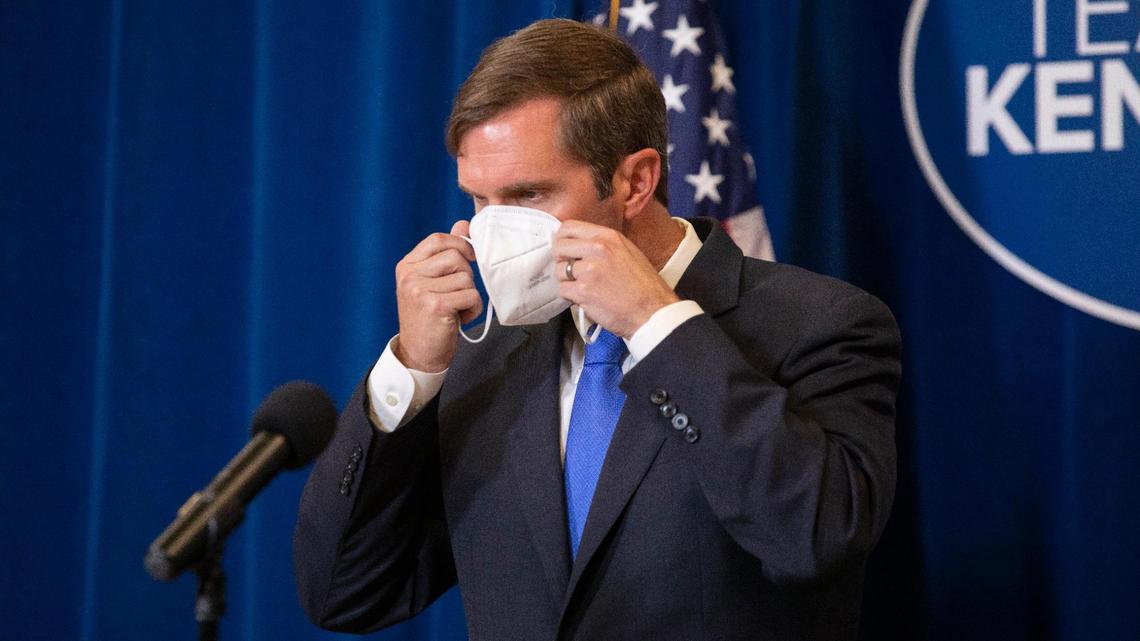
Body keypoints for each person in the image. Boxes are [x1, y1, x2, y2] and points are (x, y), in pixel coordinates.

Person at [294, 18, 901, 641]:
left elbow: (816, 538)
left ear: (635, 181)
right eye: (479, 200)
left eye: (528, 196)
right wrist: (414, 372)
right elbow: (345, 592)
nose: (492, 230)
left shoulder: (821, 324)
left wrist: (656, 325)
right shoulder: (483, 355)